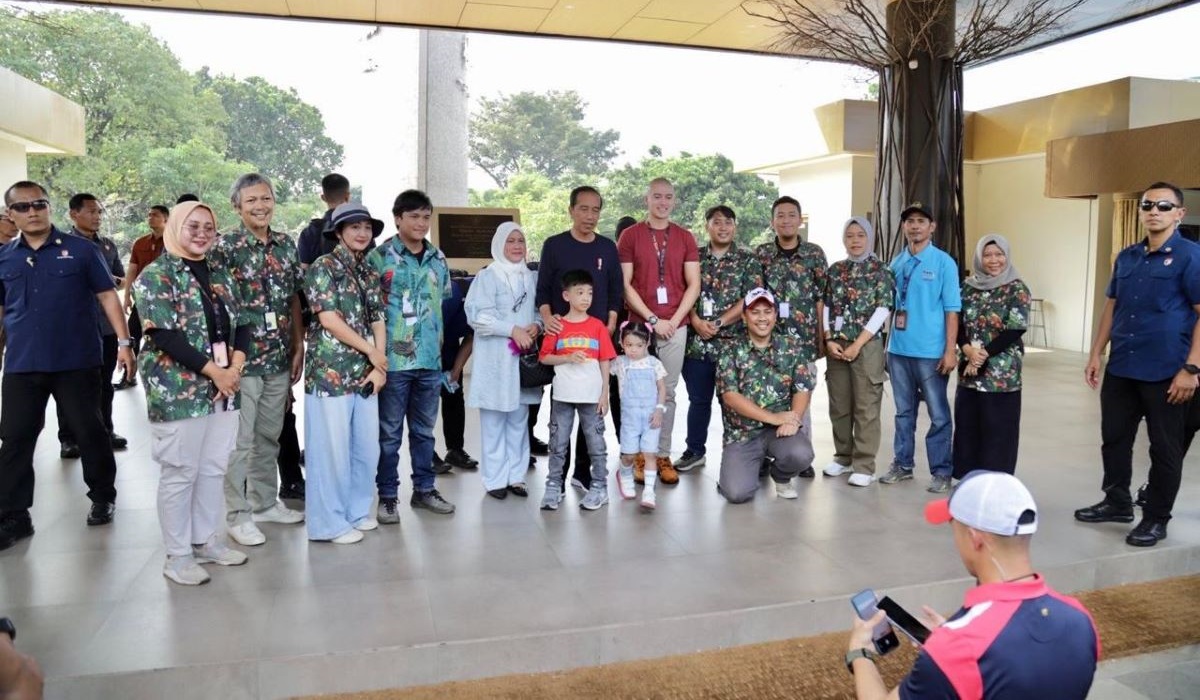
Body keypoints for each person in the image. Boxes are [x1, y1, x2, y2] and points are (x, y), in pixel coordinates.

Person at [846, 471, 1099, 699]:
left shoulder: (957, 649)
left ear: (975, 538)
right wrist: (954, 635)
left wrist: (859, 654)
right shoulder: (1081, 619)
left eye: (953, 526)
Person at [0, 181, 134, 550]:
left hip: (76, 360)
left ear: (49, 207)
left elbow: (108, 295)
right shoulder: (5, 257)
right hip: (23, 364)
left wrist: (124, 343)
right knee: (14, 439)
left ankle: (102, 496)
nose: (33, 212)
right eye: (23, 207)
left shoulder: (80, 250)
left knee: (90, 430)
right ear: (10, 214)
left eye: (39, 204)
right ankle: (14, 515)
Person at [1076, 182, 1200, 547]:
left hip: (1167, 370)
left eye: (1164, 205)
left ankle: (1156, 518)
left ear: (1180, 213)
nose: (1154, 211)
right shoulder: (1127, 257)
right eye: (1148, 204)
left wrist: (1191, 369)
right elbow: (1111, 307)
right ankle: (1116, 501)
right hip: (1123, 365)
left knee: (1165, 449)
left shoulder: (1191, 257)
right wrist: (1097, 352)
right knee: (1114, 439)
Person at [134, 200, 252, 585]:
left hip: (223, 386)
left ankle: (206, 542)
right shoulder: (156, 275)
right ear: (176, 227)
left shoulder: (221, 273)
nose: (202, 233)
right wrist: (216, 372)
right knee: (181, 471)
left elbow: (244, 323)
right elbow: (164, 334)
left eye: (208, 227)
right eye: (193, 226)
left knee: (213, 467)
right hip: (179, 390)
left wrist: (233, 369)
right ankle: (178, 555)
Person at [210, 173, 306, 547]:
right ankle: (237, 515)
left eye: (265, 198)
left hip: (279, 357)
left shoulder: (285, 244)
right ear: (237, 206)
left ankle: (265, 502)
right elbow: (219, 306)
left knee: (270, 435)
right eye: (251, 201)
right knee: (240, 441)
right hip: (241, 361)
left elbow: (294, 299)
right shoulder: (225, 247)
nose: (260, 206)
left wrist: (298, 346)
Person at [369, 189, 456, 521]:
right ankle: (388, 495)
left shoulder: (438, 257)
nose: (421, 223)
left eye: (426, 216)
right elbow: (369, 310)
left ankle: (424, 489)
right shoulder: (381, 257)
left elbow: (441, 304)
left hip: (429, 362)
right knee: (389, 433)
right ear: (398, 218)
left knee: (424, 432)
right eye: (414, 216)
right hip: (394, 360)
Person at [303, 202, 387, 545]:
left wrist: (380, 364)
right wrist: (371, 351)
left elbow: (378, 317)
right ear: (338, 232)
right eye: (354, 227)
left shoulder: (368, 270)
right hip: (330, 374)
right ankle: (327, 523)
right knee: (331, 451)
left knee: (366, 447)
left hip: (366, 374)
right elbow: (329, 319)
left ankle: (355, 511)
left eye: (366, 227)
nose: (362, 233)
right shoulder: (324, 267)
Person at [533, 186, 623, 491]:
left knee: (592, 408)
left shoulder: (608, 247)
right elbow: (543, 290)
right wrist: (548, 319)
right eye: (583, 209)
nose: (589, 216)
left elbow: (615, 290)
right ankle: (558, 474)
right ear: (571, 210)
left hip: (597, 339)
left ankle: (583, 473)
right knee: (563, 409)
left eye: (595, 210)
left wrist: (610, 321)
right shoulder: (555, 245)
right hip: (562, 341)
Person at [618, 178, 701, 484]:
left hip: (675, 327)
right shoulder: (630, 236)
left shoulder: (685, 237)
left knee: (668, 391)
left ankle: (661, 454)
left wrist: (674, 319)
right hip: (640, 327)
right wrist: (654, 320)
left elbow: (694, 284)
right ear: (647, 199)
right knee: (637, 392)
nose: (662, 202)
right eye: (657, 197)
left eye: (668, 197)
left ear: (674, 201)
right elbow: (625, 285)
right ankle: (639, 454)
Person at [879, 203, 961, 494]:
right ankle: (902, 465)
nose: (914, 226)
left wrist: (950, 350)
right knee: (903, 413)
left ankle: (941, 471)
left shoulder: (943, 263)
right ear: (903, 227)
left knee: (938, 414)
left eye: (920, 221)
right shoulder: (896, 263)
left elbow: (952, 310)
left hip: (931, 353)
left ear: (932, 226)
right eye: (909, 221)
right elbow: (886, 307)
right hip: (899, 351)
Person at [677, 205, 761, 472]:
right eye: (716, 222)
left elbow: (751, 297)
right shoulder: (694, 257)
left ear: (735, 226)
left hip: (733, 346)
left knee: (735, 402)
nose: (722, 227)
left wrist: (719, 321)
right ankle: (695, 450)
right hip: (697, 345)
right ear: (707, 227)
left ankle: (742, 454)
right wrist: (695, 320)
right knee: (698, 401)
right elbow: (683, 291)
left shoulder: (748, 260)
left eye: (728, 222)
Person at [716, 288, 816, 503]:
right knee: (736, 493)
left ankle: (781, 476)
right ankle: (739, 470)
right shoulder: (729, 349)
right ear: (744, 316)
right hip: (742, 433)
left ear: (775, 315)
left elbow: (802, 388)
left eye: (767, 311)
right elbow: (730, 396)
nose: (762, 318)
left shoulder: (790, 346)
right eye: (755, 312)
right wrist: (774, 417)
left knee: (801, 454)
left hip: (778, 431)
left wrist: (794, 419)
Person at [465, 222, 540, 499]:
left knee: (519, 420)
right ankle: (495, 479)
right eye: (511, 241)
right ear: (499, 245)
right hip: (496, 360)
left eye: (521, 240)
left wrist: (537, 326)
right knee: (495, 420)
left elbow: (539, 311)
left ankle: (516, 476)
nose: (517, 246)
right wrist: (512, 329)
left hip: (523, 362)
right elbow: (477, 317)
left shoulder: (529, 277)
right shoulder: (488, 276)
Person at [755, 196, 828, 479]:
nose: (786, 220)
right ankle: (761, 454)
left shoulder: (814, 253)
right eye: (780, 216)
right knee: (765, 396)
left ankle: (802, 455)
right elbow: (754, 299)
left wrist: (821, 337)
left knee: (802, 396)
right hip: (767, 340)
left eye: (791, 215)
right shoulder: (761, 254)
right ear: (773, 221)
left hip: (804, 341)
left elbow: (822, 297)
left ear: (800, 220)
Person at [822, 217, 894, 487]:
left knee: (865, 406)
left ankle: (864, 464)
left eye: (860, 235)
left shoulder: (881, 271)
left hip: (866, 347)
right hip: (837, 345)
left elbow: (883, 309)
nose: (855, 240)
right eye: (850, 235)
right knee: (839, 405)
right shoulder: (835, 270)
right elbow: (826, 305)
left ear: (869, 238)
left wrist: (857, 344)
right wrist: (828, 338)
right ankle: (843, 457)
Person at [952, 235, 1031, 479]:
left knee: (998, 428)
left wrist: (984, 354)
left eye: (999, 254)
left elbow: (1015, 327)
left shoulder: (1017, 287)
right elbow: (958, 322)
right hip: (970, 370)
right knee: (967, 425)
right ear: (979, 257)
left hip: (1001, 374)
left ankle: (996, 481)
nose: (993, 260)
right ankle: (967, 478)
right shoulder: (967, 287)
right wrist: (967, 350)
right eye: (987, 255)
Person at [538, 269, 616, 511]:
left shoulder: (598, 327)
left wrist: (605, 394)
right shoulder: (557, 325)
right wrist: (568, 357)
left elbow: (605, 360)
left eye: (589, 293)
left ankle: (600, 487)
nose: (585, 298)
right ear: (566, 295)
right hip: (563, 395)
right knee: (558, 442)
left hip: (591, 396)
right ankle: (553, 487)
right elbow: (544, 358)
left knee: (596, 444)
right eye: (580, 292)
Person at [58, 193, 128, 457]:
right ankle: (68, 438)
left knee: (104, 383)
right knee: (69, 385)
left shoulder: (108, 246)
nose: (97, 216)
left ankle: (106, 431)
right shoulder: (60, 246)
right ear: (74, 214)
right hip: (73, 328)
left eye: (99, 212)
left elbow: (121, 280)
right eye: (91, 212)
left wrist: (107, 279)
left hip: (106, 326)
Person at [611, 323, 667, 509]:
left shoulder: (654, 363)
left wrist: (659, 409)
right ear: (621, 342)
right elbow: (602, 368)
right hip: (630, 418)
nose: (633, 350)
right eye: (629, 345)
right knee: (629, 454)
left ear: (647, 343)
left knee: (650, 453)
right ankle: (625, 473)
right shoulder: (619, 362)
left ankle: (649, 491)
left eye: (639, 345)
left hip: (652, 417)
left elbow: (662, 388)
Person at [116, 204, 169, 389]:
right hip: (143, 299)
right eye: (148, 215)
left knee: (165, 339)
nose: (150, 218)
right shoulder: (140, 243)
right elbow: (132, 269)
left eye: (154, 215)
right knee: (132, 334)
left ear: (166, 219)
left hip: (165, 300)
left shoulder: (173, 241)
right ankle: (129, 376)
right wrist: (127, 295)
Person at [434, 273, 478, 473]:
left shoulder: (488, 304)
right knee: (425, 402)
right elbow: (433, 330)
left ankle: (455, 450)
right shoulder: (452, 295)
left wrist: (456, 369)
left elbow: (472, 337)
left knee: (454, 395)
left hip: (450, 345)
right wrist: (434, 367)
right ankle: (426, 455)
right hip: (427, 346)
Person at [298, 173, 356, 268]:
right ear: (347, 197)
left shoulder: (308, 232)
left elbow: (304, 270)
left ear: (323, 198)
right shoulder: (363, 231)